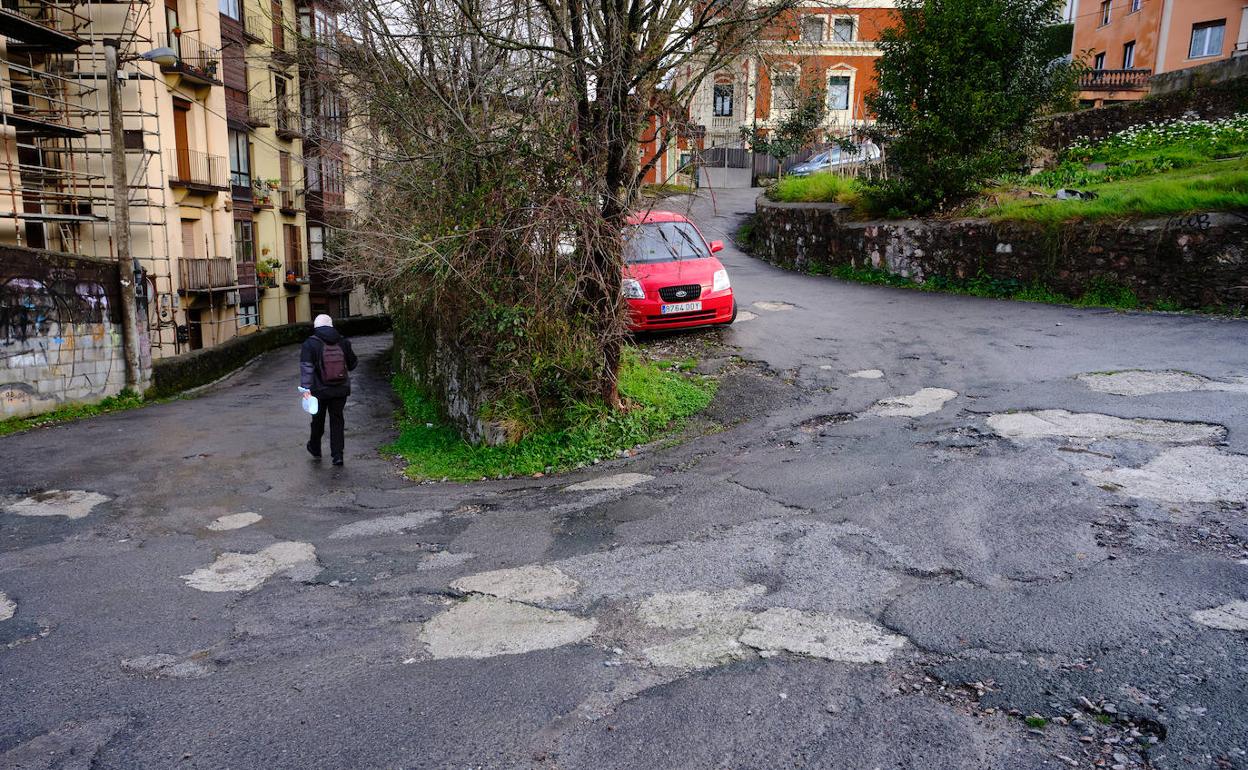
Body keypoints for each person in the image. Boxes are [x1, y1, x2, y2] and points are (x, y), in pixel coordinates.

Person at [300, 314, 358, 466]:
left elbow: (307, 368)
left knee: (317, 420)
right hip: (340, 389)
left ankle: (315, 447)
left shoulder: (310, 343)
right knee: (337, 420)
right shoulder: (343, 341)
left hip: (319, 390)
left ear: (316, 327)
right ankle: (337, 455)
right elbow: (352, 364)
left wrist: (305, 389)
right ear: (331, 325)